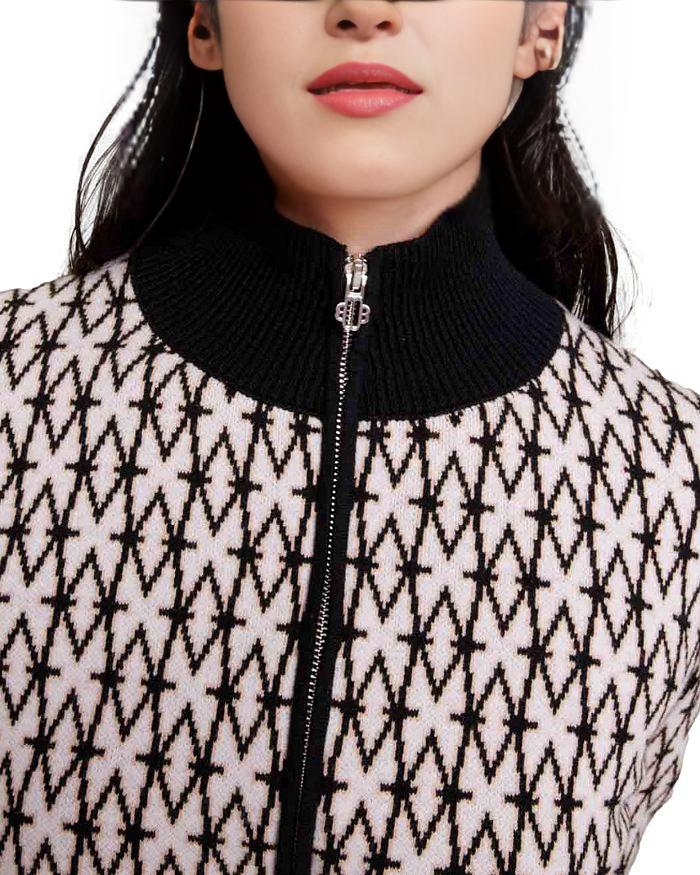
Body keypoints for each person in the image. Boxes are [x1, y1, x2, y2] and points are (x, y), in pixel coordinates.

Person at [1, 1, 699, 873]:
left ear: (541, 27)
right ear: (204, 20)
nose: (364, 9)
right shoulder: (14, 389)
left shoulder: (669, 482)